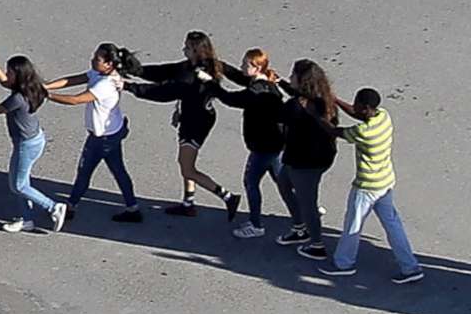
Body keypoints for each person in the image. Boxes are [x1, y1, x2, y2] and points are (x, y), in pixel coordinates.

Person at [125, 32, 238, 221]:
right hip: (196, 117)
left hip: (196, 122)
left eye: (186, 47)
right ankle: (188, 204)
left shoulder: (191, 73)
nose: (183, 49)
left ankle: (228, 197)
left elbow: (165, 91)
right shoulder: (208, 65)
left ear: (196, 50)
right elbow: (162, 72)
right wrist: (136, 71)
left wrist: (131, 87)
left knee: (187, 168)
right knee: (185, 162)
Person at [322, 88, 422, 284]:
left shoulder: (363, 132)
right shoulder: (384, 116)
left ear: (366, 108)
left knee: (353, 224)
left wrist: (315, 116)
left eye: (357, 104)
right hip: (384, 182)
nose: (354, 107)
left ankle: (343, 263)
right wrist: (335, 100)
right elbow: (355, 113)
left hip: (366, 186)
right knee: (393, 225)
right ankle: (410, 266)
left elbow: (335, 131)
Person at [47, 45, 144, 225]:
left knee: (84, 171)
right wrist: (46, 86)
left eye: (97, 59)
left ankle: (70, 206)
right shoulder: (99, 74)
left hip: (101, 139)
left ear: (108, 64)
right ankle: (133, 207)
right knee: (118, 171)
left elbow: (76, 99)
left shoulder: (105, 84)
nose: (92, 60)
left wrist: (47, 95)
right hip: (112, 133)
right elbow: (74, 79)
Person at [216, 49, 290, 239]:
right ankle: (306, 216)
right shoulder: (270, 84)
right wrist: (220, 65)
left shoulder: (255, 90)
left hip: (262, 147)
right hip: (277, 145)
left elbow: (231, 99)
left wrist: (211, 85)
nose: (241, 67)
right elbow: (238, 77)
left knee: (251, 182)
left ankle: (256, 224)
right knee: (284, 184)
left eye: (245, 64)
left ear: (256, 67)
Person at [0, 56, 61, 233]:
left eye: (10, 72)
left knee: (19, 185)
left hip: (26, 144)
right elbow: (5, 82)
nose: (6, 75)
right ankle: (26, 219)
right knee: (20, 182)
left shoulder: (18, 98)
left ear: (18, 75)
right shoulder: (30, 88)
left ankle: (53, 207)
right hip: (34, 139)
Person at [278, 59, 341, 258]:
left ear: (302, 81)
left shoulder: (295, 106)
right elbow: (299, 97)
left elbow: (279, 116)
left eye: (292, 76)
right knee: (283, 183)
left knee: (308, 202)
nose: (290, 78)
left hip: (304, 161)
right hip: (319, 156)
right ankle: (299, 227)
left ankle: (317, 244)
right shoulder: (324, 100)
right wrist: (280, 83)